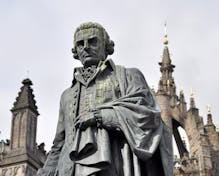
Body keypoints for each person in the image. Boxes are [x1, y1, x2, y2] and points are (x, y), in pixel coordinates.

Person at [37, 22, 173, 176]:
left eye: (93, 41)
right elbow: (59, 145)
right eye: (80, 44)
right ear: (75, 51)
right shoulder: (67, 95)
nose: (86, 47)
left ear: (106, 46)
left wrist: (100, 116)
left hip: (115, 164)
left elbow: (147, 115)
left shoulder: (128, 76)